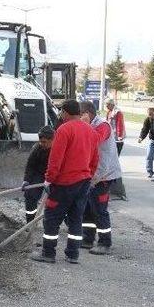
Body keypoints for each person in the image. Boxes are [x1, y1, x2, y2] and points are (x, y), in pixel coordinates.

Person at [31, 100, 100, 265]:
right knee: (76, 218)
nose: (61, 115)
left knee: (51, 218)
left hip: (64, 183)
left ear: (65, 113)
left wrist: (49, 179)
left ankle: (48, 253)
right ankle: (73, 254)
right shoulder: (91, 131)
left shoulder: (63, 129)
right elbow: (95, 159)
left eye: (62, 112)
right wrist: (88, 176)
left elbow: (56, 159)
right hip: (83, 182)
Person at [79, 101, 122, 255]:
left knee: (99, 210)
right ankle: (88, 238)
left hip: (104, 176)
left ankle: (105, 242)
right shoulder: (90, 125)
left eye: (80, 115)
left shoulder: (103, 125)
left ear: (87, 113)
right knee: (87, 208)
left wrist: (84, 126)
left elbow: (94, 140)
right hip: (93, 175)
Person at [21, 126, 55, 223]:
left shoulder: (59, 149)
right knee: (30, 195)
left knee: (57, 201)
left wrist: (51, 180)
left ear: (52, 140)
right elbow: (30, 165)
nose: (41, 144)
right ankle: (30, 222)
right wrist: (26, 180)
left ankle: (65, 222)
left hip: (55, 176)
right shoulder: (37, 148)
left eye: (44, 142)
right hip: (40, 174)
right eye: (40, 141)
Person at [138, 107, 154, 178]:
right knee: (149, 156)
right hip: (152, 141)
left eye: (151, 114)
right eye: (149, 115)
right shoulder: (148, 119)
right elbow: (145, 129)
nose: (150, 116)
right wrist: (141, 137)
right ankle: (150, 171)